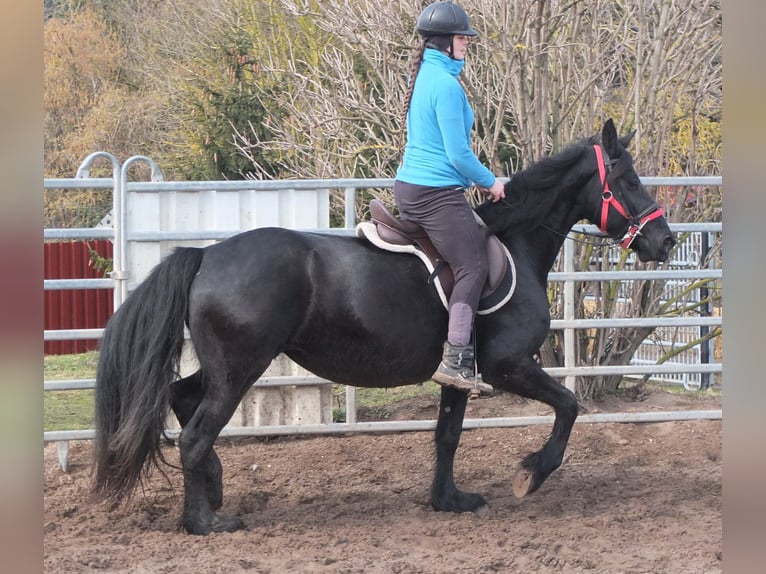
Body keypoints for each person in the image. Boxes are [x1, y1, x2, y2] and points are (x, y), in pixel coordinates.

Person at [394, 1, 506, 397]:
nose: (467, 45)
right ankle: (457, 358)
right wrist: (490, 182)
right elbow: (458, 154)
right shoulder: (444, 85)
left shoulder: (429, 74)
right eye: (463, 39)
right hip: (434, 193)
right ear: (444, 43)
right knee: (472, 265)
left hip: (418, 186)